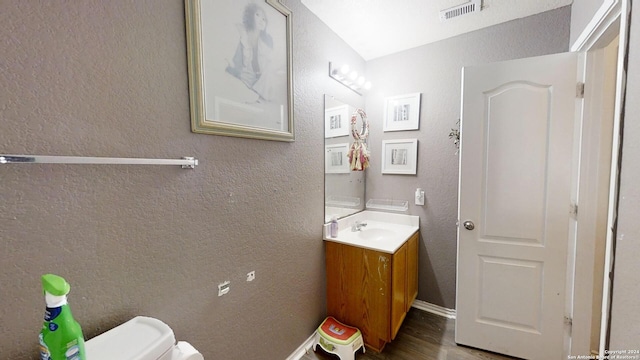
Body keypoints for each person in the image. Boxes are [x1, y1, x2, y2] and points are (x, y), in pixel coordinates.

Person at [226, 2, 275, 101]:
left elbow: (266, 69)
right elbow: (230, 62)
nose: (261, 20)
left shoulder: (263, 44)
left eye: (264, 19)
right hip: (240, 80)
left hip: (256, 84)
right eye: (257, 15)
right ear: (250, 15)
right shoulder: (240, 33)